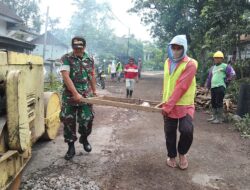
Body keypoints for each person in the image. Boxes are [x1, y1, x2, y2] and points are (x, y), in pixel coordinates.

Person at [162, 35, 198, 169]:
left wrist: (169, 105)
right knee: (169, 132)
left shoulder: (190, 64)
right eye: (173, 47)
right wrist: (164, 101)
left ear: (184, 49)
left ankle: (182, 153)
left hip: (185, 104)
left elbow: (182, 86)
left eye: (179, 48)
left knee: (187, 130)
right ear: (170, 48)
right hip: (168, 103)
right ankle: (171, 156)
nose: (176, 51)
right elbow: (167, 83)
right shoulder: (167, 62)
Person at [60, 36, 97, 160]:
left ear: (84, 47)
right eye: (75, 48)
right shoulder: (66, 58)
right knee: (68, 122)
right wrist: (75, 93)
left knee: (87, 119)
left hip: (86, 96)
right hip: (69, 96)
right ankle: (71, 147)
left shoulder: (90, 59)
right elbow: (66, 77)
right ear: (72, 47)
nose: (77, 51)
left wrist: (95, 90)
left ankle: (84, 138)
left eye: (80, 48)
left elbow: (92, 75)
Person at [206, 51, 235, 124]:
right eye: (215, 58)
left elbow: (232, 74)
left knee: (218, 102)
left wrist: (227, 80)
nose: (217, 59)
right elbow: (209, 78)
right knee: (213, 102)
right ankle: (214, 116)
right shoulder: (213, 68)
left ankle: (219, 118)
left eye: (219, 58)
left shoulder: (225, 66)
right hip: (213, 87)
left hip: (220, 86)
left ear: (222, 59)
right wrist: (208, 87)